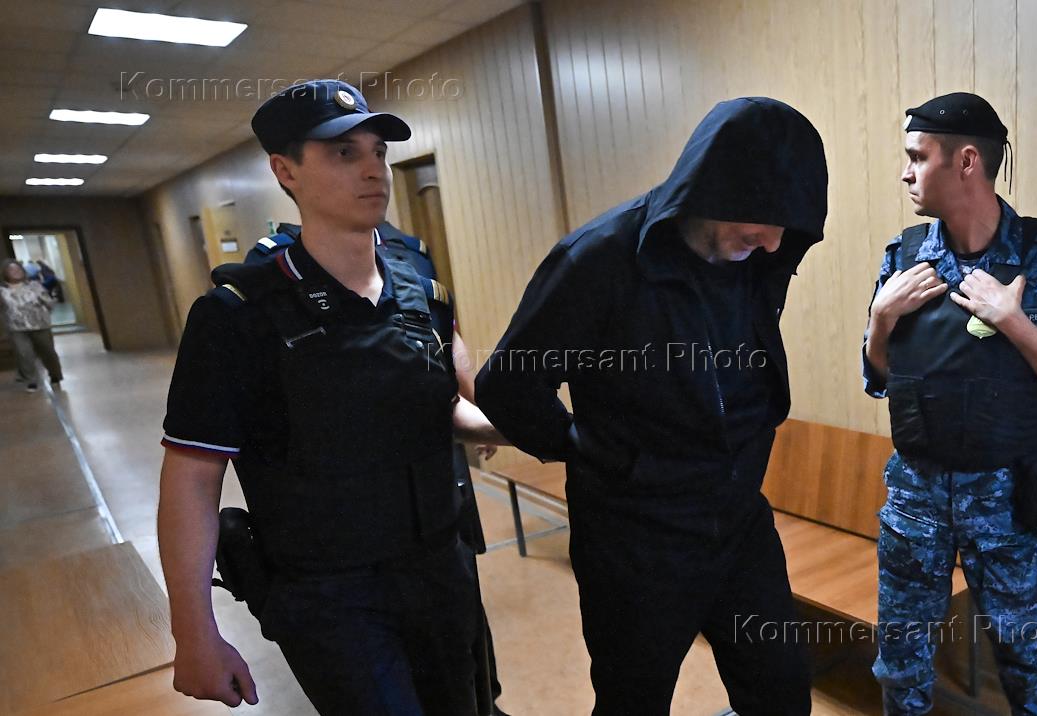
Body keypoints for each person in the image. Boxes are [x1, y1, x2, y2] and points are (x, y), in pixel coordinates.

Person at [157, 79, 506, 715]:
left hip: (439, 569)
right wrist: (194, 633)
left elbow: (445, 406)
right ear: (285, 171)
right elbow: (191, 479)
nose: (373, 169)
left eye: (379, 152)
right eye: (344, 153)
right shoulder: (238, 315)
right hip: (330, 595)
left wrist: (527, 428)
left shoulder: (420, 284)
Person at [475, 97, 827, 716]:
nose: (773, 242)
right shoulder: (599, 259)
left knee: (781, 687)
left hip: (737, 520)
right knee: (633, 699)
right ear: (715, 186)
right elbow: (508, 384)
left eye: (787, 227)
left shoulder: (757, 257)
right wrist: (589, 450)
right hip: (635, 540)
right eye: (765, 219)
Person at [862, 92, 1037, 715]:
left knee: (1026, 665)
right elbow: (881, 377)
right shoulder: (905, 256)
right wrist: (881, 318)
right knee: (900, 668)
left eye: (918, 157)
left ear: (967, 161)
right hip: (915, 498)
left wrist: (1012, 321)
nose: (906, 173)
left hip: (1003, 501)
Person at [245, 218, 509, 715]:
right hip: (336, 556)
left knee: (462, 669)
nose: (369, 179)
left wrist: (493, 418)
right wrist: (194, 629)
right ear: (290, 179)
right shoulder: (264, 281)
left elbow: (445, 355)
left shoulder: (412, 259)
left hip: (430, 520)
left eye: (378, 167)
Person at [0, 259, 64, 391]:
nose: (16, 272)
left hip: (40, 325)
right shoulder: (2, 291)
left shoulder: (35, 286)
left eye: (18, 269)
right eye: (12, 270)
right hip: (17, 328)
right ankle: (31, 381)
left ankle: (55, 375)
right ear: (5, 273)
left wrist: (43, 313)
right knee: (24, 354)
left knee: (48, 352)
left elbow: (48, 303)